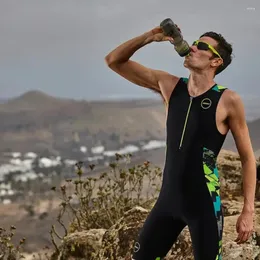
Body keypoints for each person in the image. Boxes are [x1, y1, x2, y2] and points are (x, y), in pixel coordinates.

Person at [105, 24, 256, 260]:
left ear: (215, 62)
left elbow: (247, 159)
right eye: (194, 42)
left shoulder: (228, 100)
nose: (193, 47)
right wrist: (148, 37)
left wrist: (248, 211)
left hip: (205, 205)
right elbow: (114, 61)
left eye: (202, 46)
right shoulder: (170, 86)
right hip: (167, 202)